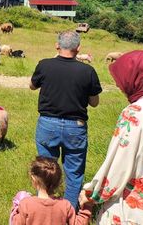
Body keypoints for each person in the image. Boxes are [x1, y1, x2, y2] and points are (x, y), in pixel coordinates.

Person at [81, 50, 143, 224]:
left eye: (123, 79)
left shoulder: (136, 113)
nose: (119, 86)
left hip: (133, 209)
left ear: (136, 78)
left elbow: (118, 166)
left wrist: (91, 194)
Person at [30, 31, 102, 210]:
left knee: (46, 169)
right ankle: (68, 214)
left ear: (57, 46)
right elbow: (94, 103)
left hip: (48, 124)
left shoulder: (44, 65)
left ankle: (44, 210)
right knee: (74, 173)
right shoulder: (88, 71)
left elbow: (32, 86)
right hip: (75, 127)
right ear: (79, 48)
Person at [10, 156, 92, 224]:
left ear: (34, 179)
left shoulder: (26, 204)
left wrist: (15, 208)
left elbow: (15, 223)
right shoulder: (65, 205)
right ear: (58, 181)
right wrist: (87, 207)